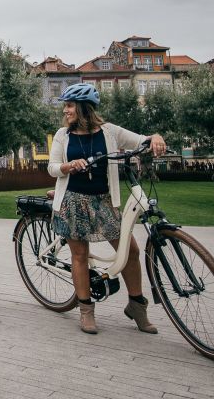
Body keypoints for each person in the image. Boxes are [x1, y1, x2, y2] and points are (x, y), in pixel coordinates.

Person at [48, 82, 167, 335]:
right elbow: (52, 167)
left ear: (83, 108)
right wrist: (68, 166)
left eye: (69, 106)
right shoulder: (63, 135)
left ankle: (137, 306)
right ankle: (85, 310)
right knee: (80, 256)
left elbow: (141, 139)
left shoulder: (109, 132)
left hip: (104, 202)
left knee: (131, 251)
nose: (65, 111)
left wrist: (154, 138)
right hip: (73, 202)